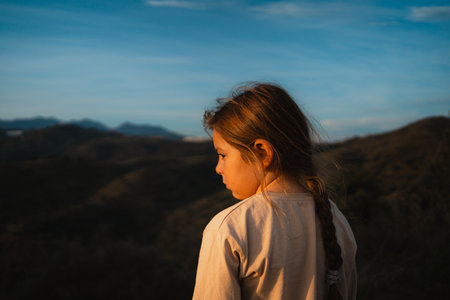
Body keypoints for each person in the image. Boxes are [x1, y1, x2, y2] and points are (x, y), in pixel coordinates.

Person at [192, 83, 357, 300]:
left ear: (262, 152)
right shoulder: (337, 221)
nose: (218, 168)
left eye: (223, 155)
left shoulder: (228, 229)